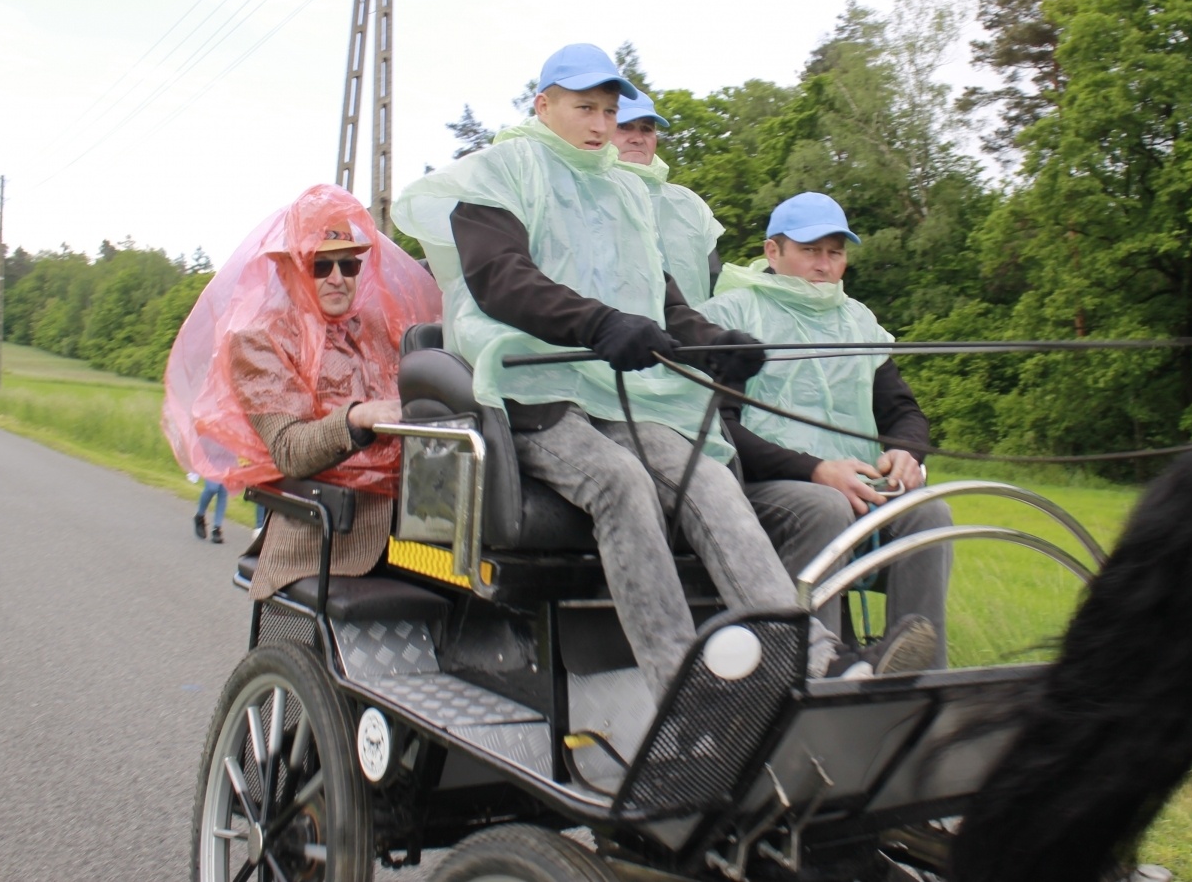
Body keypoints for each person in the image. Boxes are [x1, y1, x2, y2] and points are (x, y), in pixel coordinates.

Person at [394, 43, 879, 697]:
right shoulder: (503, 170)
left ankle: (808, 659)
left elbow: (662, 299)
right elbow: (501, 280)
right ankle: (681, 680)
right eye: (584, 107)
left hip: (620, 389)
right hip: (531, 384)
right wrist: (597, 323)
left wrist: (714, 344)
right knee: (620, 480)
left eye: (608, 109)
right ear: (544, 104)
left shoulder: (625, 191)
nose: (599, 123)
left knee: (703, 475)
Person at [700, 192, 952, 671]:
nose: (824, 265)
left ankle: (917, 678)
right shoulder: (729, 316)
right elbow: (719, 426)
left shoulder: (858, 320)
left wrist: (905, 454)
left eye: (835, 252)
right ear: (773, 252)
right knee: (824, 506)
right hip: (762, 485)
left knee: (929, 512)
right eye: (810, 250)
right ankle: (821, 675)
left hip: (855, 484)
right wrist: (815, 470)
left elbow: (903, 410)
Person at [162, 184, 441, 601]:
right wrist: (358, 417)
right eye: (319, 265)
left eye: (348, 265)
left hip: (418, 531)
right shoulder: (260, 342)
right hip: (327, 538)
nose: (336, 278)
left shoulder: (381, 330)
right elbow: (289, 449)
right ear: (290, 269)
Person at [611, 89, 724, 304]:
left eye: (646, 129)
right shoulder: (580, 194)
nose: (637, 138)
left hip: (687, 334)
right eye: (624, 126)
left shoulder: (690, 204)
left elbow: (715, 283)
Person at [193, 476, 228, 544]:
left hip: (228, 466)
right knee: (212, 488)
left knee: (223, 490)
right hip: (212, 465)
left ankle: (217, 528)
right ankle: (200, 516)